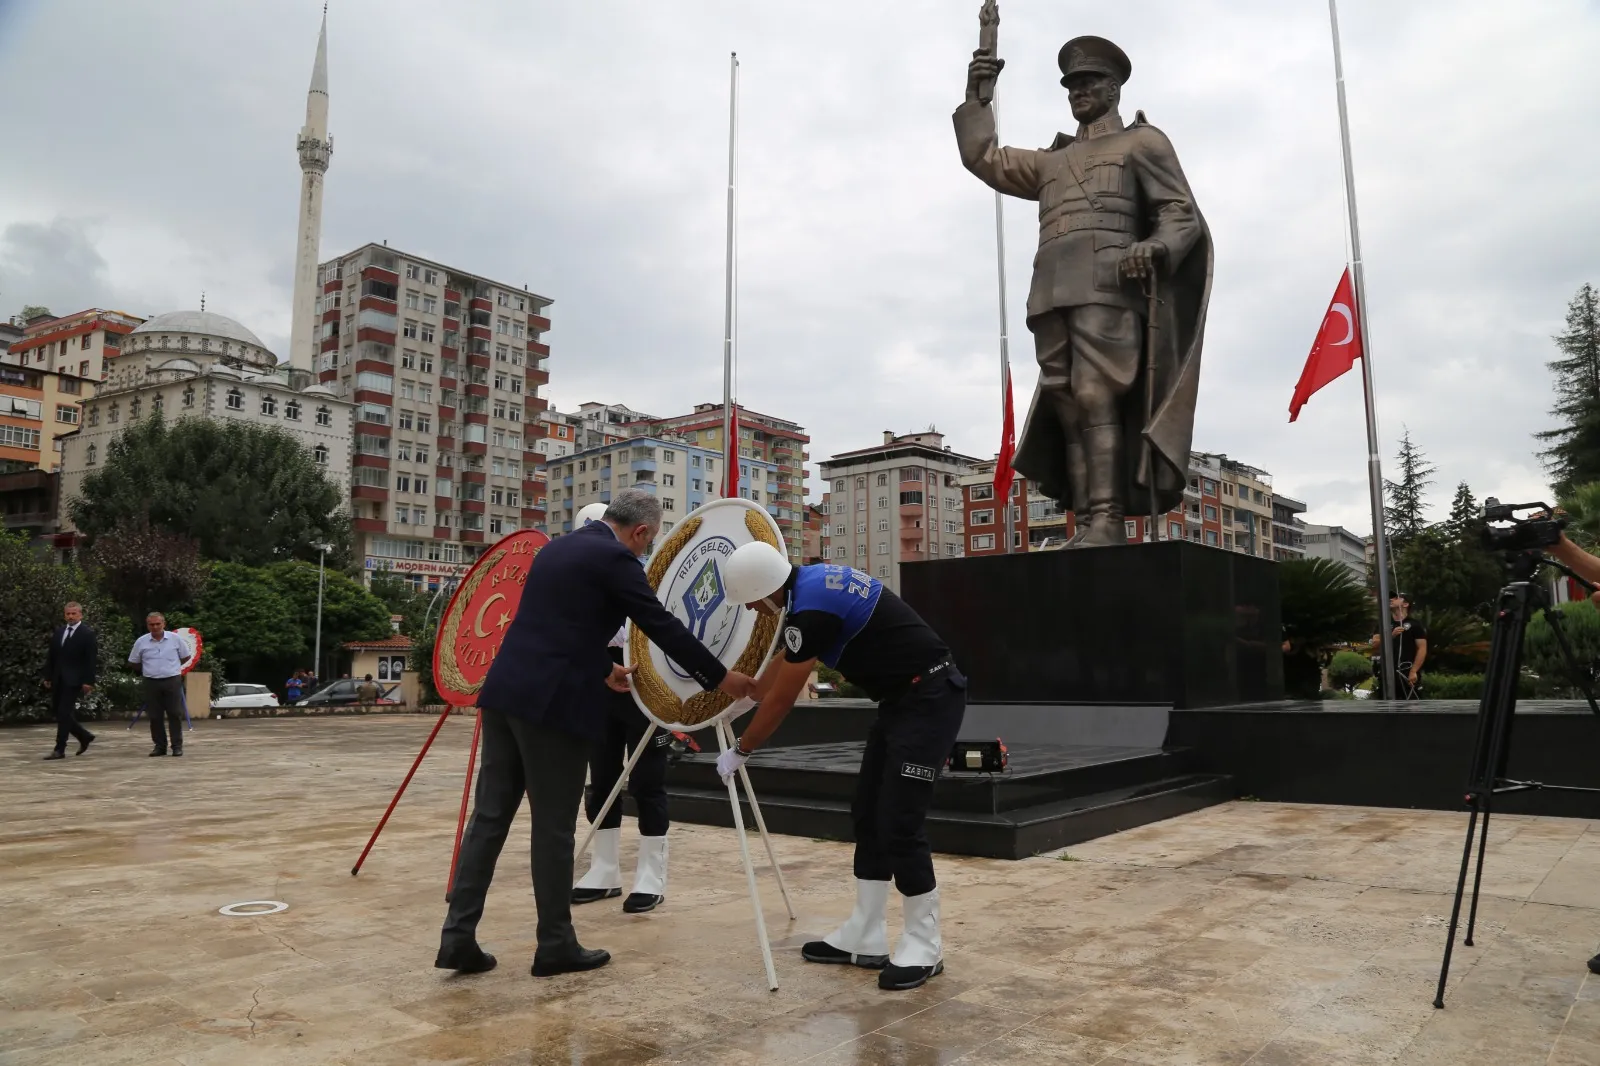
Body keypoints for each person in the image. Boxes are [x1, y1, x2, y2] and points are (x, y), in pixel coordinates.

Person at [436, 489, 756, 979]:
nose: (644, 553)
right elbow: (660, 625)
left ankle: (457, 937)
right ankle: (555, 945)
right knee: (553, 826)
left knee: (489, 818)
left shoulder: (557, 548)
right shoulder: (617, 558)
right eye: (646, 545)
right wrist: (722, 677)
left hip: (504, 694)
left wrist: (601, 664)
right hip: (553, 708)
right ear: (642, 532)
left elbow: (556, 626)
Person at [715, 544, 967, 992]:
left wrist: (742, 748)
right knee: (868, 814)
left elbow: (785, 697)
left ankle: (925, 943)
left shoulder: (810, 611)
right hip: (901, 701)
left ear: (765, 587)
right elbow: (783, 666)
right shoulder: (808, 589)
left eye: (752, 600)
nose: (753, 609)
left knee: (900, 821)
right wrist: (745, 697)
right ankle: (865, 934)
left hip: (930, 697)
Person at [569, 503, 675, 914]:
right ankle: (604, 868)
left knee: (648, 781)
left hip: (645, 685)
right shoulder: (581, 579)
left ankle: (651, 874)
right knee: (601, 779)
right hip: (600, 682)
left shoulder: (648, 575)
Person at [127, 613, 194, 756]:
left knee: (175, 713)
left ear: (164, 623)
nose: (155, 627)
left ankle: (176, 746)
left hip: (172, 680)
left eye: (158, 624)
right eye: (152, 624)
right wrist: (148, 669)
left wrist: (172, 667)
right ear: (147, 625)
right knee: (155, 716)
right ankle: (159, 746)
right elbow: (133, 661)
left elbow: (186, 656)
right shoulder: (141, 642)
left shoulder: (175, 639)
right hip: (151, 681)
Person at [42, 601, 97, 760]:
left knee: (63, 712)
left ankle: (60, 748)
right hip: (58, 677)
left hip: (75, 680)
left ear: (80, 614)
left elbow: (90, 659)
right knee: (59, 712)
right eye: (68, 613)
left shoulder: (87, 633)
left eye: (74, 613)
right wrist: (48, 676)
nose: (71, 616)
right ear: (64, 614)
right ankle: (84, 736)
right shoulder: (59, 632)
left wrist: (88, 681)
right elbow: (52, 656)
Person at [1370, 592, 1427, 700]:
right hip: (1387, 673)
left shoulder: (1415, 625)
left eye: (1396, 598)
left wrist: (1414, 671)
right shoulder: (1383, 624)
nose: (1391, 600)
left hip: (1407, 671)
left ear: (1405, 604)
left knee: (1412, 705)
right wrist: (1391, 636)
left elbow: (1422, 649)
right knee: (1386, 706)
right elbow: (1375, 644)